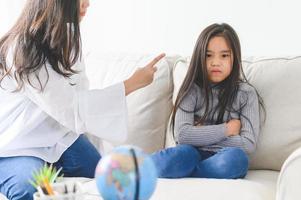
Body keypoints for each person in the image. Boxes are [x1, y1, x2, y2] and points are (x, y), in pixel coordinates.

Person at [0, 0, 165, 199]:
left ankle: (50, 166)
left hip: (60, 139)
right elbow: (70, 108)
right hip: (17, 145)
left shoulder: (68, 37)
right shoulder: (22, 47)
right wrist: (130, 84)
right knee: (30, 189)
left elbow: (82, 99)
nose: (87, 3)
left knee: (108, 178)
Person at [151, 23, 264, 179]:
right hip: (190, 153)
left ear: (235, 58)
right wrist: (228, 129)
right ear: (200, 57)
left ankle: (190, 173)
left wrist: (199, 134)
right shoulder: (192, 90)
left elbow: (248, 144)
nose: (215, 62)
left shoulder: (246, 94)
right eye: (208, 55)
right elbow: (183, 135)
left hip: (223, 157)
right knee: (178, 157)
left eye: (224, 55)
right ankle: (134, 165)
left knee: (237, 160)